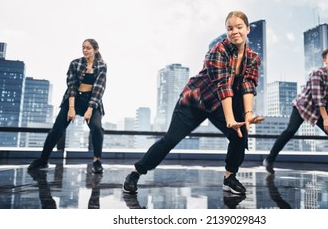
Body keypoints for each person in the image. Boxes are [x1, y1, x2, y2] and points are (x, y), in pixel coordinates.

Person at [122, 11, 265, 195]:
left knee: (239, 135)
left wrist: (247, 115)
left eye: (239, 27)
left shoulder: (252, 58)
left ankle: (229, 177)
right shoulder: (218, 51)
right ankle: (135, 174)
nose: (234, 31)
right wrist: (230, 119)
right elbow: (224, 86)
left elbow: (248, 85)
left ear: (247, 29)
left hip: (219, 105)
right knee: (171, 139)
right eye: (230, 28)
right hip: (195, 101)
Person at [263, 48, 328, 175]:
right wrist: (326, 119)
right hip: (303, 106)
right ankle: (269, 159)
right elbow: (318, 99)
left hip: (319, 110)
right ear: (325, 60)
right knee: (290, 131)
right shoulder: (317, 74)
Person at [28, 39, 107, 174]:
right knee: (56, 130)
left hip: (92, 101)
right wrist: (71, 108)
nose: (85, 50)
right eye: (83, 48)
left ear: (95, 50)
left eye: (88, 48)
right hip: (74, 99)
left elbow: (99, 89)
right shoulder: (75, 63)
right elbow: (72, 86)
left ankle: (97, 161)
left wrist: (89, 110)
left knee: (97, 128)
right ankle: (43, 159)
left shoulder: (101, 66)